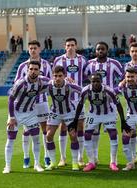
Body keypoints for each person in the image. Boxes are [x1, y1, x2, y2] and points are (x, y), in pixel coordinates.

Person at [68, 73, 128, 172]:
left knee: (113, 134)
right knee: (87, 135)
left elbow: (118, 105)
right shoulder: (85, 90)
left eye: (97, 81)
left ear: (101, 81)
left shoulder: (109, 91)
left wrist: (123, 121)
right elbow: (80, 105)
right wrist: (75, 121)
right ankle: (91, 162)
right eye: (93, 81)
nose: (95, 83)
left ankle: (113, 162)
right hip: (93, 114)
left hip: (108, 113)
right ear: (90, 82)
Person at [3, 61, 49, 174]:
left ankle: (37, 164)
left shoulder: (41, 82)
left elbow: (53, 82)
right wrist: (11, 117)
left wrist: (66, 79)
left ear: (39, 71)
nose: (33, 71)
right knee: (11, 139)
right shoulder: (20, 83)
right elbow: (11, 99)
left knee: (36, 139)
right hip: (16, 113)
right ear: (27, 70)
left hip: (31, 113)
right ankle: (7, 166)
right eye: (31, 69)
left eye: (36, 69)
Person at [14, 40, 52, 168]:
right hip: (27, 104)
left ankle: (47, 156)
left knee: (45, 130)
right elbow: (16, 84)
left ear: (39, 49)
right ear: (28, 50)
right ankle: (26, 157)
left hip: (42, 102)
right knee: (26, 131)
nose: (33, 50)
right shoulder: (22, 66)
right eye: (30, 48)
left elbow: (51, 83)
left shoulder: (46, 65)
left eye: (35, 48)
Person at [84, 41, 123, 163]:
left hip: (110, 102)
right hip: (95, 102)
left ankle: (114, 161)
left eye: (103, 49)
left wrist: (114, 90)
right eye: (98, 49)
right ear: (95, 51)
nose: (100, 51)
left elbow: (123, 78)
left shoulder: (114, 63)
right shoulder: (90, 64)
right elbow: (85, 77)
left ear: (107, 50)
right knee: (94, 130)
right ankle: (94, 158)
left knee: (111, 131)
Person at [53, 37, 87, 167]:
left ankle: (80, 157)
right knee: (63, 127)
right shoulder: (58, 60)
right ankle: (62, 158)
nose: (70, 47)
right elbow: (55, 75)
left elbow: (86, 75)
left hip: (78, 99)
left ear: (76, 46)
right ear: (65, 47)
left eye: (72, 45)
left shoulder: (82, 60)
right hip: (63, 100)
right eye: (68, 45)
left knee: (80, 127)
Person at [44, 66, 82, 171]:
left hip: (69, 113)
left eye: (60, 76)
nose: (57, 78)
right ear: (52, 76)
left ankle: (75, 162)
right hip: (55, 112)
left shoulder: (70, 85)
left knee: (73, 135)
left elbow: (83, 92)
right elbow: (35, 91)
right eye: (55, 76)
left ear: (65, 76)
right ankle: (53, 162)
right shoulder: (48, 86)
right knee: (49, 135)